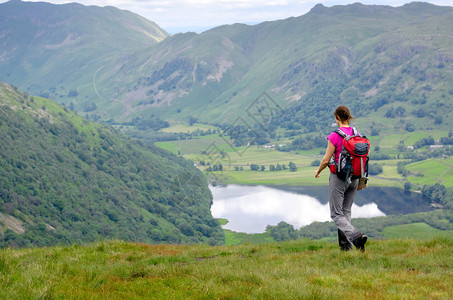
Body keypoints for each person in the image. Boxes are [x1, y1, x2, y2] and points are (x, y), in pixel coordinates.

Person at [314, 105, 368, 251]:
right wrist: (361, 180)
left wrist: (318, 171)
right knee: (345, 212)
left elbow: (326, 160)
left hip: (339, 178)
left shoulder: (335, 135)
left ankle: (356, 237)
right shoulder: (357, 134)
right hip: (355, 177)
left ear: (336, 117)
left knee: (336, 214)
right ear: (348, 117)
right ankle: (346, 248)